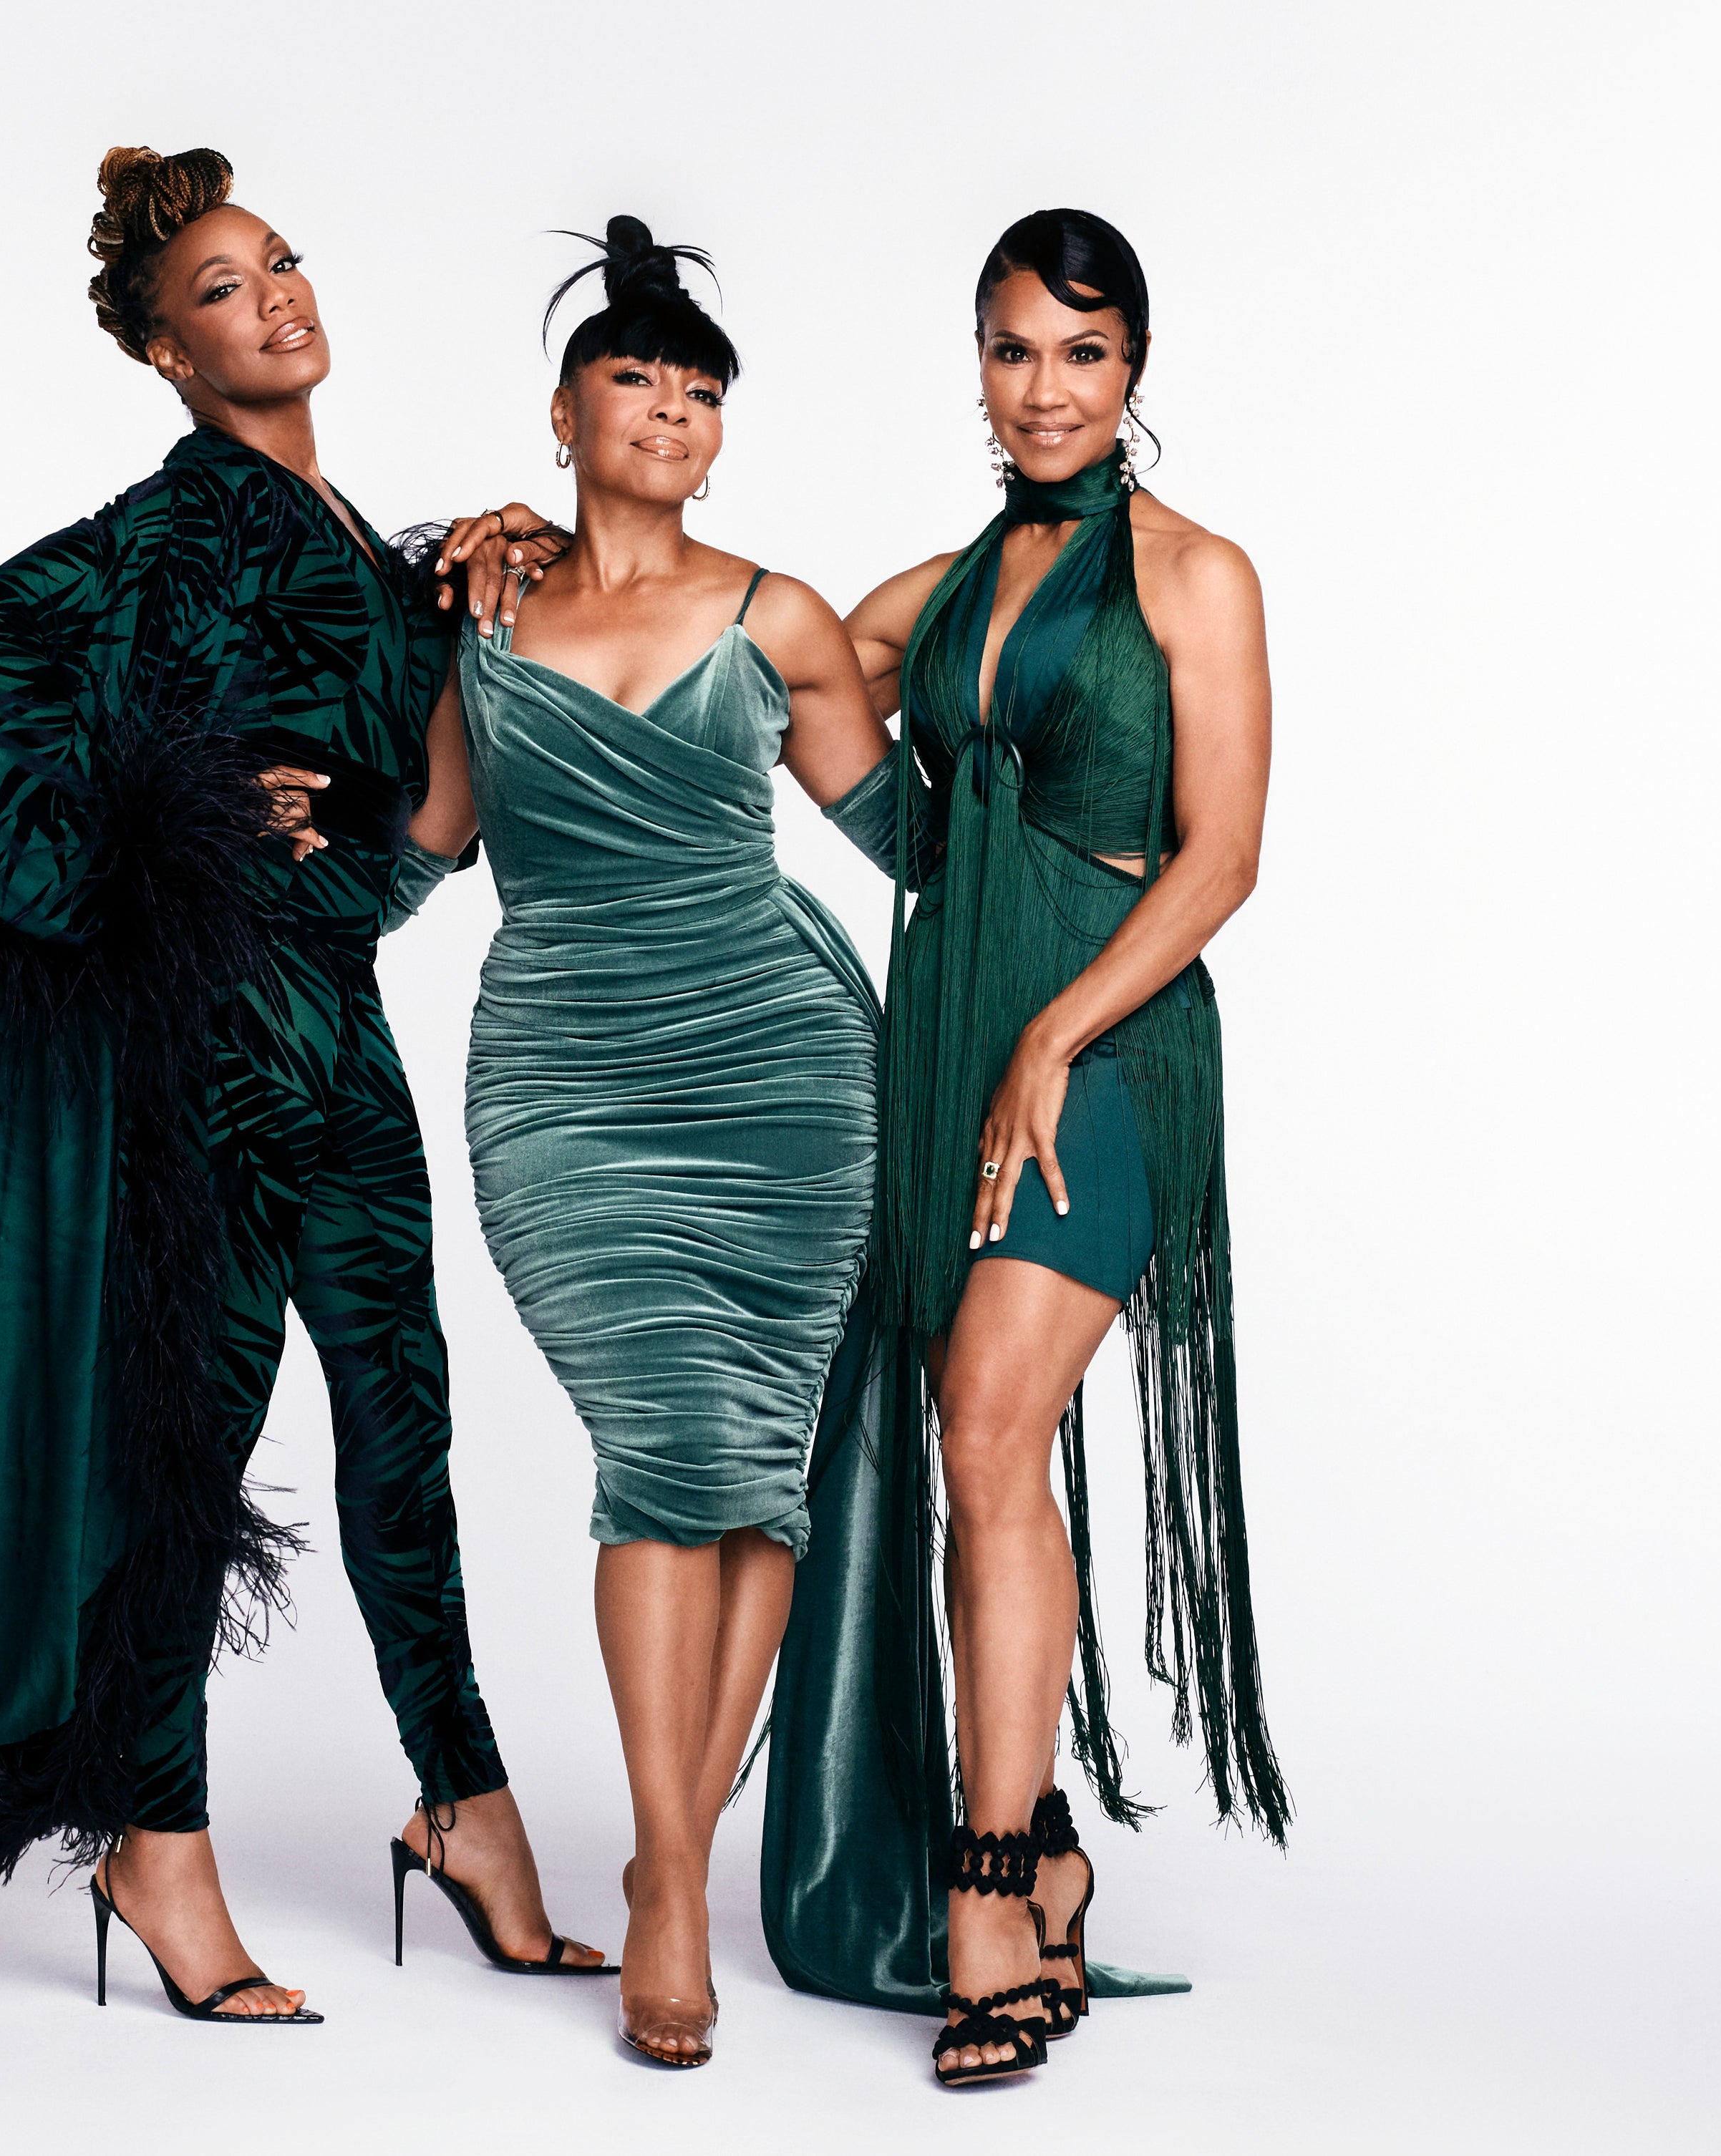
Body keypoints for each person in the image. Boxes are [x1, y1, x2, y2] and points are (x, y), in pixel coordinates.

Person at [0, 145, 603, 2024]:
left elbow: (433, 833)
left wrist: (460, 616)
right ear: (162, 350)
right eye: (224, 286)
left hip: (342, 1034)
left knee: (407, 1428)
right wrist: (153, 833)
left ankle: (463, 1801)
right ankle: (157, 1838)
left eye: (284, 260)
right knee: (187, 1457)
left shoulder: (361, 545)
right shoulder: (173, 531)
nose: (277, 295)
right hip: (202, 1054)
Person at [760, 207, 1290, 2087]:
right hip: (955, 1037)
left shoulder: (1197, 577)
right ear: (975, 368)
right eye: (1011, 349)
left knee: (988, 1418)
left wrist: (1056, 1033)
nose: (1045, 385)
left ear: (1134, 367)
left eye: (1080, 350)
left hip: (1111, 1041)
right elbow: (813, 656)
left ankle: (990, 1888)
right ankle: (1041, 1846)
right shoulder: (963, 585)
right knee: (970, 1446)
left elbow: (1222, 855)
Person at [402, 218, 897, 2065]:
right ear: (564, 410)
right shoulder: (485, 615)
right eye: (641, 381)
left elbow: (911, 843)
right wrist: (263, 832)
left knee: (750, 1464)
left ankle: (670, 1871)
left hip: (782, 1071)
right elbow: (420, 858)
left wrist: (1101, 878)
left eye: (703, 395)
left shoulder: (779, 618)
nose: (675, 413)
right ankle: (676, 1859)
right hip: (566, 1078)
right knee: (663, 1439)